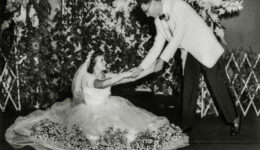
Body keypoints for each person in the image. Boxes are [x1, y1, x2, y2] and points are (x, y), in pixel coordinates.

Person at [5, 50, 189, 150]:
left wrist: (151, 69)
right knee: (95, 137)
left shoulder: (107, 73)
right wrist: (124, 73)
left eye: (103, 60)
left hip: (110, 107)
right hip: (89, 113)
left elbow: (128, 78)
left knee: (128, 131)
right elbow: (102, 84)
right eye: (101, 60)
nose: (104, 62)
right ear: (93, 65)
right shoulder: (87, 78)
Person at [131, 0, 241, 135]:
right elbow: (157, 46)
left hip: (204, 47)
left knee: (216, 84)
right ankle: (187, 124)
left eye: (147, 10)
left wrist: (162, 59)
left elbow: (178, 36)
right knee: (188, 86)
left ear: (154, 2)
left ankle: (234, 118)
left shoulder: (178, 5)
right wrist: (141, 67)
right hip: (189, 51)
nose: (147, 15)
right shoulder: (158, 21)